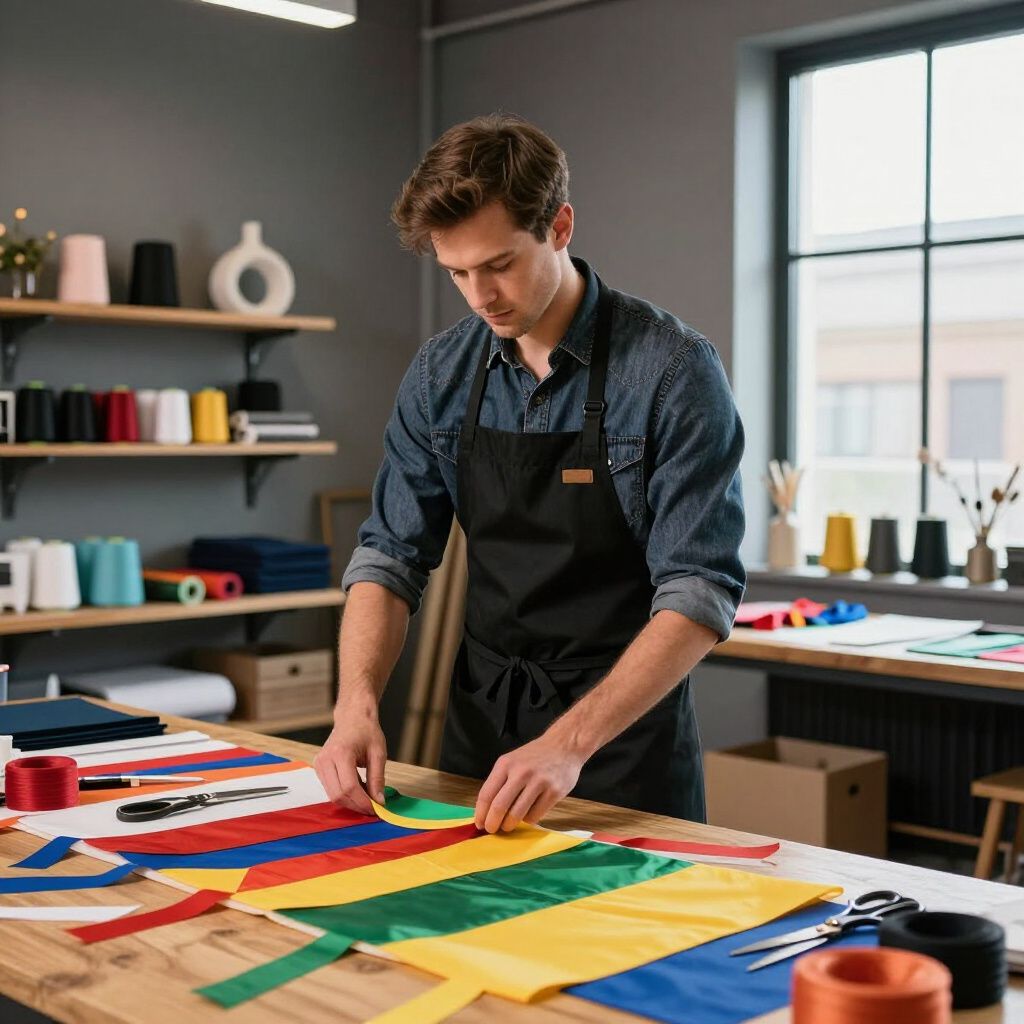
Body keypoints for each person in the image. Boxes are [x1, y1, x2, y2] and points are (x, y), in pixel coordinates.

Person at [314, 113, 745, 833]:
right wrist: (354, 703)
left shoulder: (671, 370)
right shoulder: (439, 374)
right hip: (481, 737)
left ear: (561, 226)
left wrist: (568, 745)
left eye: (500, 263)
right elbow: (390, 556)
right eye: (458, 273)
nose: (481, 296)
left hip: (621, 747)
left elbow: (701, 590)